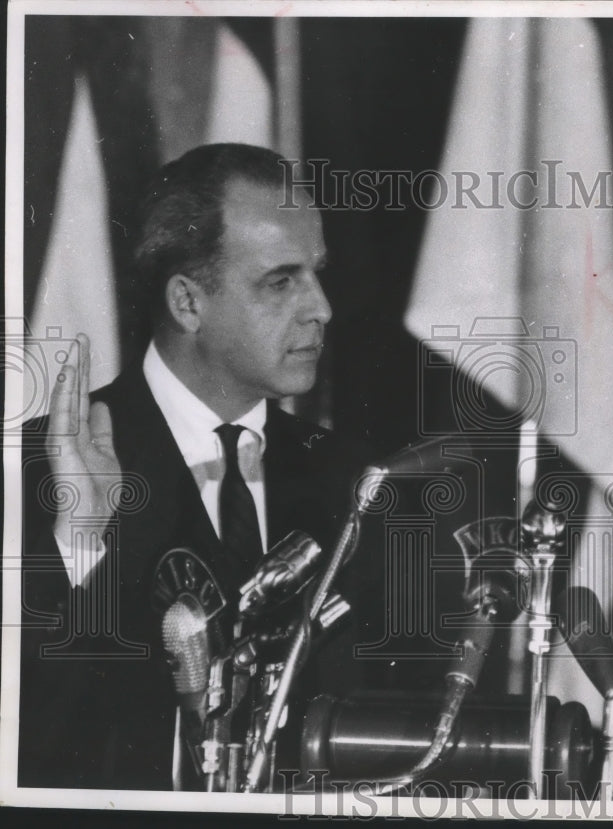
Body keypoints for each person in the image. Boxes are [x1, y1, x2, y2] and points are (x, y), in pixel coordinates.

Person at [19, 143, 372, 790]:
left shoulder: (352, 480)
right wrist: (80, 540)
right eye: (281, 280)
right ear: (187, 303)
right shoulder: (38, 471)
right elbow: (25, 753)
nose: (320, 307)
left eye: (316, 273)